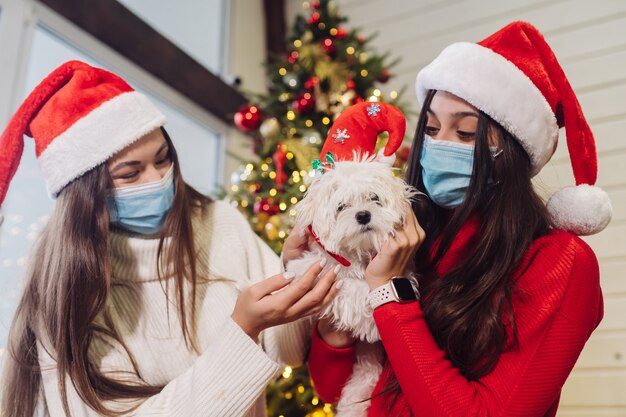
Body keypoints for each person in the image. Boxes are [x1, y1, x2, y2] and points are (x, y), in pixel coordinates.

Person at [0, 60, 339, 417]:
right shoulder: (65, 291)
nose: (158, 180)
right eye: (130, 173)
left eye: (163, 160)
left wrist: (297, 272)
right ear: (83, 193)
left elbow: (288, 349)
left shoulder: (217, 222)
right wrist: (243, 331)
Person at [307, 21, 612, 416]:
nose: (438, 145)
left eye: (466, 133)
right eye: (431, 128)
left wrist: (388, 290)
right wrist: (330, 307)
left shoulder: (561, 264)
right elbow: (333, 388)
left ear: (514, 152)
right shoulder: (411, 235)